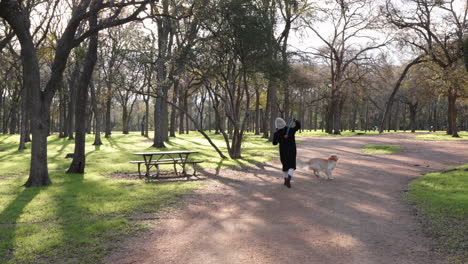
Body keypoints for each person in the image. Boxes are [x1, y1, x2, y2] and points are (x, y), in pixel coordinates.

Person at [273, 117, 301, 188]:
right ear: (284, 123)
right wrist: (296, 121)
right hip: (292, 150)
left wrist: (278, 136)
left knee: (285, 166)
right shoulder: (291, 130)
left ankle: (286, 180)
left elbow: (274, 143)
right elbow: (298, 127)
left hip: (283, 151)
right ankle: (289, 177)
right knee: (291, 165)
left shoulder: (276, 133)